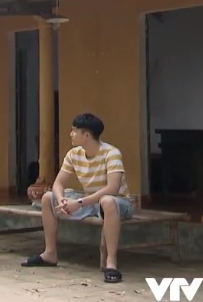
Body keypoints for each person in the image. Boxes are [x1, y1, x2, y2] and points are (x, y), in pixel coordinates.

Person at [21, 113, 134, 284]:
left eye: (74, 131)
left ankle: (111, 262)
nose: (71, 134)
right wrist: (61, 200)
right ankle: (50, 253)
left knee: (107, 201)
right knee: (48, 197)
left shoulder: (111, 153)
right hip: (90, 199)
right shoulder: (74, 154)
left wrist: (79, 203)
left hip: (118, 202)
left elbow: (113, 188)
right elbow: (58, 183)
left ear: (86, 135)